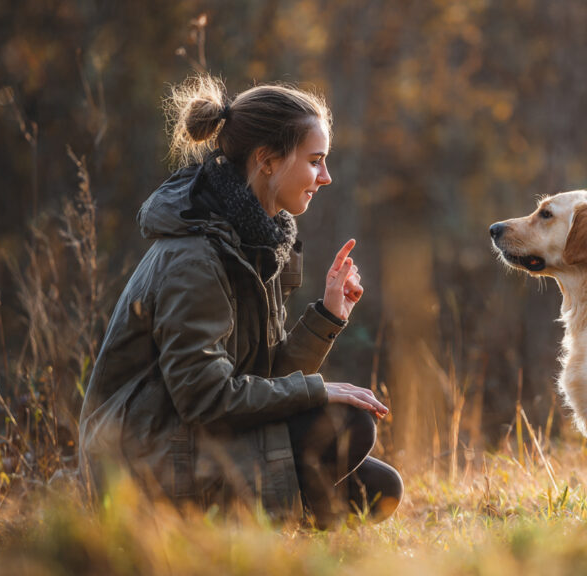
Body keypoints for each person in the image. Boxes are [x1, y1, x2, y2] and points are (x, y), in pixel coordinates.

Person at [78, 74, 402, 527]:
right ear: (267, 161)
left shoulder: (257, 242)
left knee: (379, 490)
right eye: (315, 161)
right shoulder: (195, 256)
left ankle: (265, 535)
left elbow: (259, 381)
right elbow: (206, 396)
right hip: (142, 467)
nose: (326, 177)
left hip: (198, 441)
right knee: (349, 426)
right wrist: (318, 390)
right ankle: (219, 538)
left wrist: (327, 316)